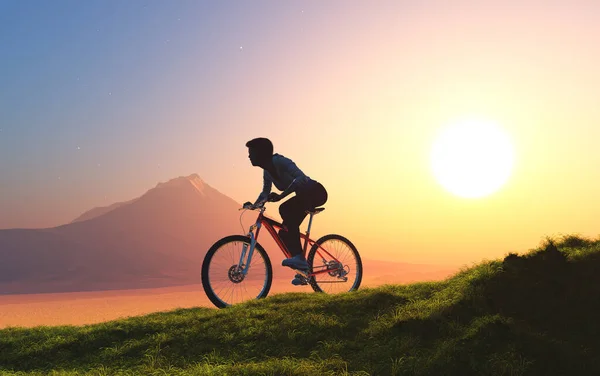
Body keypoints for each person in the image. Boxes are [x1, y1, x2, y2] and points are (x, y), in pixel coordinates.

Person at [244, 137, 328, 285]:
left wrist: (281, 196)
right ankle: (303, 271)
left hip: (315, 192)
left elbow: (300, 178)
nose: (249, 156)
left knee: (285, 209)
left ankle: (300, 259)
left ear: (261, 153)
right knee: (283, 233)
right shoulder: (267, 171)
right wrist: (254, 205)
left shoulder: (279, 161)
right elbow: (265, 192)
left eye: (251, 152)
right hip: (303, 197)